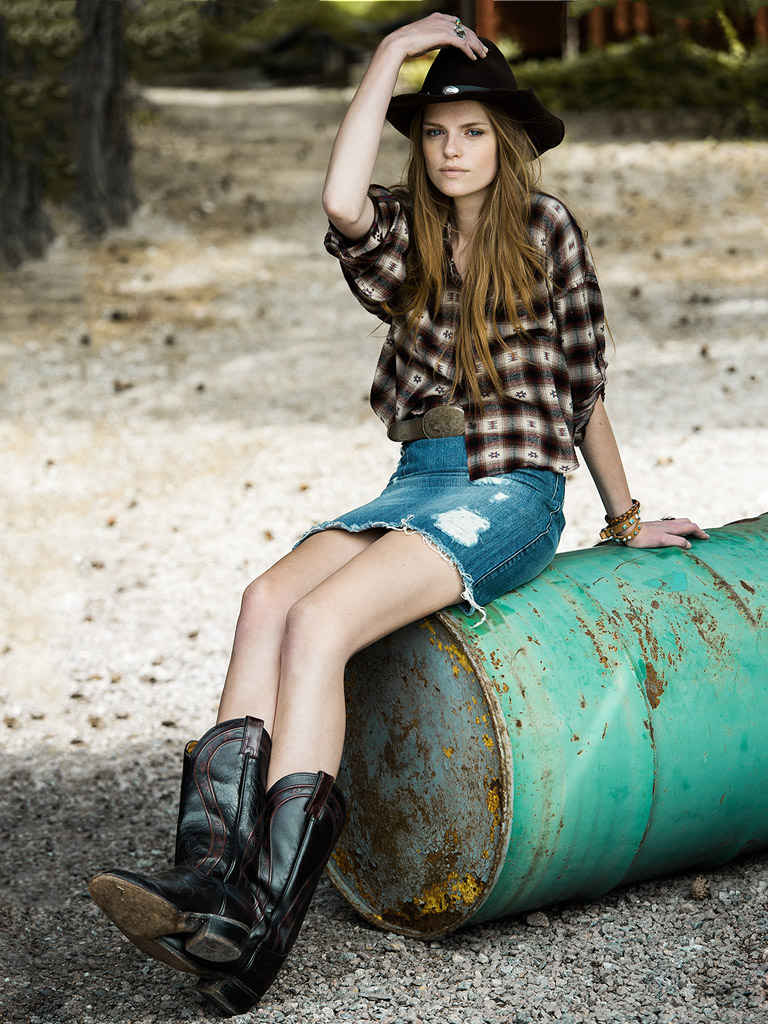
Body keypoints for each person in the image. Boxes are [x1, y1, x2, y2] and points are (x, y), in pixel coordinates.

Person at [88, 12, 709, 1018]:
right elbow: (341, 199)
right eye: (434, 133)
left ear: (504, 142)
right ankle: (208, 878)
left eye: (471, 131)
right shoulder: (410, 237)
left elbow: (585, 384)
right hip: (419, 477)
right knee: (265, 602)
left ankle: (257, 930)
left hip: (511, 484)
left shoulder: (545, 229)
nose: (452, 149)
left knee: (322, 624)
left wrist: (625, 516)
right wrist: (389, 54)